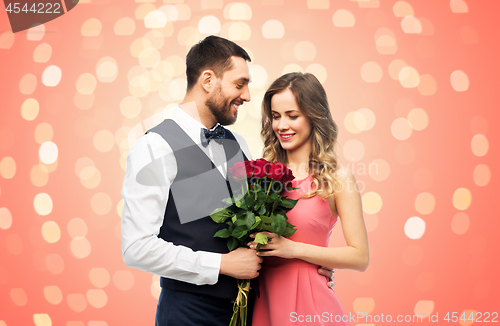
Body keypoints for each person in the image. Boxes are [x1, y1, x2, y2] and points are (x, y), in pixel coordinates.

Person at [121, 36, 334, 325]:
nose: (247, 96)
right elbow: (137, 248)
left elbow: (254, 225)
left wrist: (304, 265)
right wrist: (220, 265)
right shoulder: (154, 147)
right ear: (208, 80)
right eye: (239, 84)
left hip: (247, 309)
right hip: (188, 312)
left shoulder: (237, 143)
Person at [250, 72, 370, 326]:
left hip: (311, 308)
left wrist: (294, 249)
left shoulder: (337, 178)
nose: (282, 125)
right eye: (275, 116)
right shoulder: (259, 174)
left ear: (314, 116)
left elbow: (360, 257)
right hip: (262, 302)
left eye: (292, 116)